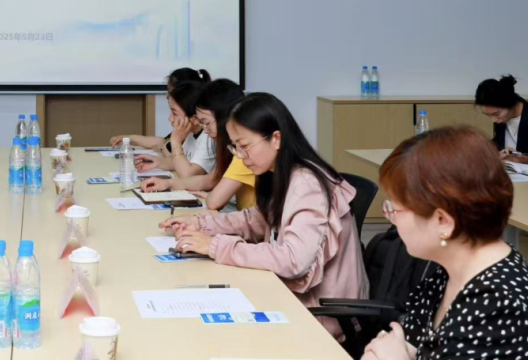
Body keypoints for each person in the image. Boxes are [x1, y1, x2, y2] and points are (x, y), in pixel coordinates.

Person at [164, 93, 366, 338]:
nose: (240, 156)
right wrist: (201, 224)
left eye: (245, 146)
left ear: (276, 139)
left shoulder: (306, 183)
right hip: (293, 298)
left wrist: (215, 246)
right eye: (234, 147)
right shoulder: (280, 173)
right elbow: (256, 220)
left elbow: (293, 260)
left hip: (320, 316)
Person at [362, 126, 528, 360]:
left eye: (395, 209)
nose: (391, 219)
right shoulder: (448, 274)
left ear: (443, 221)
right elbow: (405, 339)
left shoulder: (501, 310)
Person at [140, 79, 254, 210]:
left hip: (241, 215)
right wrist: (168, 183)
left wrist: (211, 196)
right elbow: (211, 179)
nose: (205, 130)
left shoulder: (243, 153)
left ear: (224, 117)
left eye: (207, 123)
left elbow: (214, 200)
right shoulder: (228, 147)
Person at [111, 67, 212, 160]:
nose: (167, 96)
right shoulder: (188, 129)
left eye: (171, 91)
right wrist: (130, 138)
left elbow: (170, 152)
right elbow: (163, 142)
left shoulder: (203, 135)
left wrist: (166, 148)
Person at [475, 74, 528, 165]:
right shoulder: (502, 119)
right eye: (488, 115)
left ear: (510, 104)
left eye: (496, 114)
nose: (494, 120)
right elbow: (499, 144)